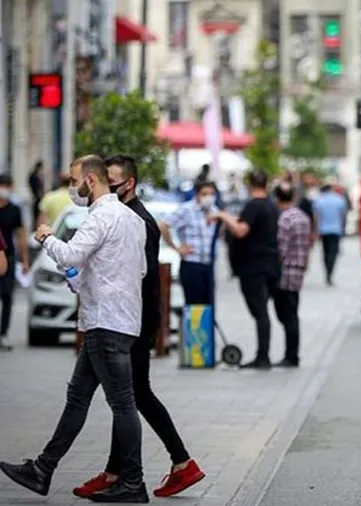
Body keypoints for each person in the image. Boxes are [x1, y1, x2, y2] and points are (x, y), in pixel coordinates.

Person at [0, 155, 149, 502]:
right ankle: (42, 469)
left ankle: (133, 483)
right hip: (119, 320)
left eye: (73, 179)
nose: (72, 187)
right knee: (78, 398)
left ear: (91, 181)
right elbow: (133, 270)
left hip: (105, 323)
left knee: (123, 404)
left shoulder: (99, 217)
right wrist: (81, 282)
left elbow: (69, 255)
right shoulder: (131, 219)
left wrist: (46, 236)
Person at [66, 155, 206, 499]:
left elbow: (135, 277)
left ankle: (178, 463)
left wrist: (141, 327)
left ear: (127, 184)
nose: (104, 187)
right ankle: (120, 471)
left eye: (111, 180)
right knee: (127, 396)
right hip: (127, 320)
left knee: (132, 396)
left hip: (132, 322)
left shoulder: (139, 220)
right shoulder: (121, 215)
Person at [211, 170, 280, 369]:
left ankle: (263, 357)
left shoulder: (253, 206)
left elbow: (241, 230)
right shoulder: (270, 205)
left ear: (250, 185)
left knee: (259, 311)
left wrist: (223, 216)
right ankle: (263, 354)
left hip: (254, 267)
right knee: (262, 311)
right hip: (269, 264)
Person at [160, 181, 219, 305]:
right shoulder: (186, 209)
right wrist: (176, 248)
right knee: (194, 305)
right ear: (197, 194)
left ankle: (207, 325)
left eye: (211, 194)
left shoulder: (214, 210)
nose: (209, 197)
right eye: (205, 194)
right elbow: (163, 225)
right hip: (192, 263)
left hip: (208, 264)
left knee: (208, 305)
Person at [273, 182, 313, 367]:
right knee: (293, 312)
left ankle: (291, 355)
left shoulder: (284, 219)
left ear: (277, 198)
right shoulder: (303, 217)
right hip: (299, 269)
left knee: (287, 315)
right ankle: (293, 353)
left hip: (286, 271)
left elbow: (281, 248)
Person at [0, 173, 30, 350]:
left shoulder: (14, 210)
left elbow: (21, 235)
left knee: (7, 296)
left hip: (8, 257)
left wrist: (24, 260)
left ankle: (3, 333)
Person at [313, 183, 347, 286]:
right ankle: (330, 272)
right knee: (333, 252)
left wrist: (316, 230)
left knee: (325, 252)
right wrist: (342, 228)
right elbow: (343, 215)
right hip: (336, 230)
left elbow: (316, 217)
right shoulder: (339, 199)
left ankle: (327, 271)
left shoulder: (319, 200)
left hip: (323, 230)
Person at [28, 160, 44, 230]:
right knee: (36, 214)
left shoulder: (37, 175)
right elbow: (36, 187)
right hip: (36, 198)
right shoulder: (34, 175)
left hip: (37, 197)